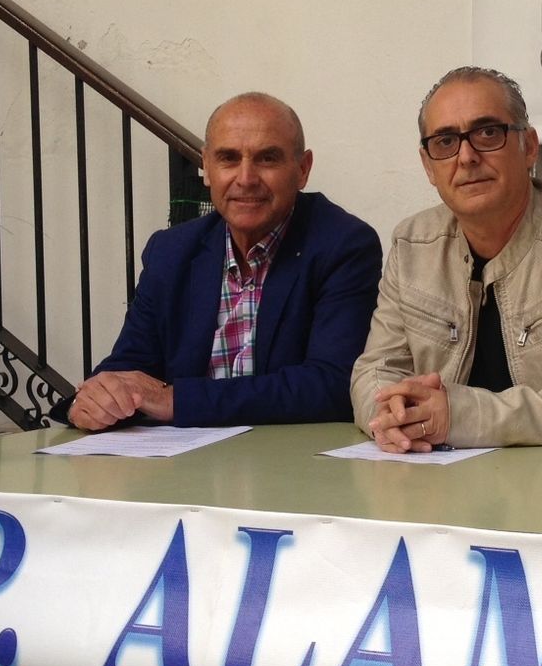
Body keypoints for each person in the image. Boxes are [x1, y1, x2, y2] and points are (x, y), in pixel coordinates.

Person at [351, 67, 542, 450]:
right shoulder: (412, 242)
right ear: (428, 166)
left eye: (487, 133)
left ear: (528, 146)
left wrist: (464, 417)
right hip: (432, 481)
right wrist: (391, 415)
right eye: (445, 141)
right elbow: (376, 369)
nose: (466, 157)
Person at [60, 91, 382, 429]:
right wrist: (91, 401)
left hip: (294, 463)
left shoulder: (342, 244)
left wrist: (178, 400)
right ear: (207, 168)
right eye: (228, 158)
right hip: (181, 468)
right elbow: (128, 368)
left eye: (267, 158)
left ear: (302, 170)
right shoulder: (171, 252)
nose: (245, 178)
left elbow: (331, 384)